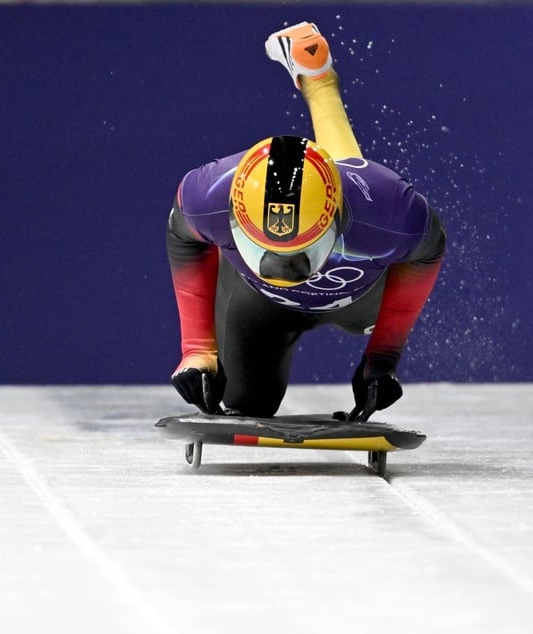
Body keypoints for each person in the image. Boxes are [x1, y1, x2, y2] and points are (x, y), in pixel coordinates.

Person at [166, 21, 446, 421]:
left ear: (333, 217)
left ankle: (319, 83)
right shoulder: (207, 197)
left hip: (361, 298)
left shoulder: (391, 210)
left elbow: (428, 251)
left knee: (352, 173)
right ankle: (317, 80)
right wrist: (197, 350)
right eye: (270, 250)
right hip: (263, 307)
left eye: (300, 254)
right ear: (235, 219)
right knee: (247, 404)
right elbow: (183, 239)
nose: (287, 271)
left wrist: (383, 356)